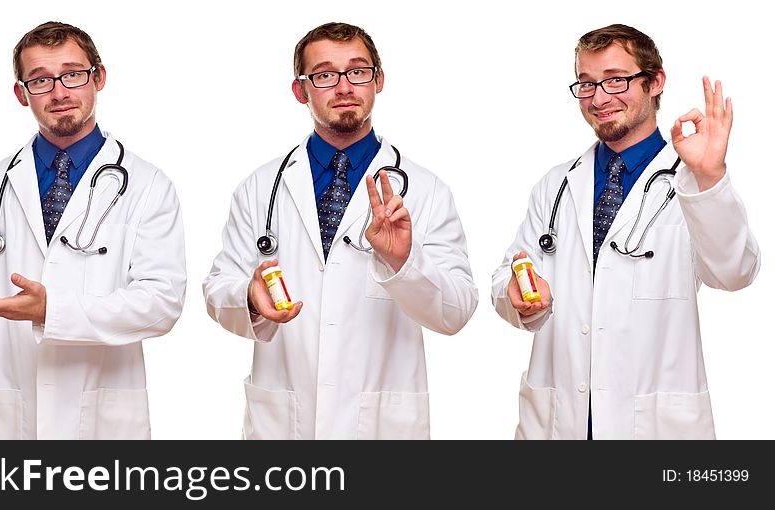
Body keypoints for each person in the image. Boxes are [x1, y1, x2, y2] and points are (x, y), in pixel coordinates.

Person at [0, 22, 186, 439]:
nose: (59, 92)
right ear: (21, 93)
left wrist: (51, 311)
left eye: (72, 74)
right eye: (40, 80)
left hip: (102, 421)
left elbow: (162, 303)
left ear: (99, 77)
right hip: (6, 414)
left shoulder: (149, 186)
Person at [203, 22, 478, 440]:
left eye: (358, 71)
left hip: (382, 427)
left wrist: (405, 261)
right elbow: (217, 287)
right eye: (325, 74)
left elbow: (456, 312)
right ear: (301, 90)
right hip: (283, 424)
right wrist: (250, 299)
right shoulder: (261, 187)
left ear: (378, 81)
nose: (344, 86)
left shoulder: (425, 189)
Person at [492, 24, 760, 440]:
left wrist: (710, 179)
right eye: (586, 84)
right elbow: (509, 276)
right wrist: (518, 299)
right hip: (558, 424)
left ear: (655, 82)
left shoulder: (691, 181)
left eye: (616, 80)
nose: (599, 98)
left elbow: (735, 272)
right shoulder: (557, 185)